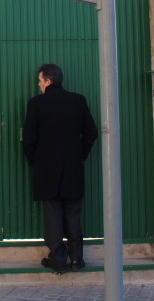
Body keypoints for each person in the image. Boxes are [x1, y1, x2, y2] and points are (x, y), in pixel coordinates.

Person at [23, 63, 98, 274]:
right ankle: (77, 259)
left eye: (39, 80)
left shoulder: (36, 104)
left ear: (48, 81)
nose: (38, 84)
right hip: (73, 168)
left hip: (47, 170)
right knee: (73, 214)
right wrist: (79, 155)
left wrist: (35, 160)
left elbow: (29, 139)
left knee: (53, 216)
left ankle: (58, 259)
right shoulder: (78, 101)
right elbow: (91, 133)